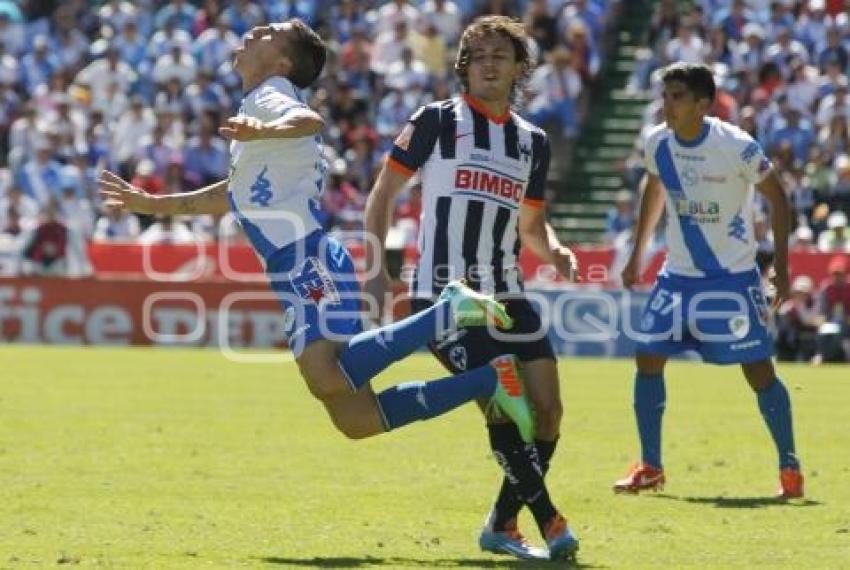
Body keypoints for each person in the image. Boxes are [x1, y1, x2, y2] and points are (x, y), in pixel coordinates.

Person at [98, 21, 534, 452]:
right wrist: (150, 205)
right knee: (356, 419)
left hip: (308, 258)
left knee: (327, 376)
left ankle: (449, 312)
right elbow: (234, 195)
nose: (253, 32)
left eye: (267, 32)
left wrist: (263, 130)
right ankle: (493, 378)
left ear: (282, 62)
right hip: (299, 261)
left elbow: (309, 119)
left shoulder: (272, 95)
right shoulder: (259, 104)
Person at [363, 16, 579, 562]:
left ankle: (501, 524)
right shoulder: (436, 121)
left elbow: (531, 225)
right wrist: (374, 265)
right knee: (503, 400)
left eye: (499, 55)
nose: (488, 62)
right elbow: (383, 192)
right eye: (477, 54)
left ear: (518, 67)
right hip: (445, 297)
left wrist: (554, 248)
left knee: (548, 413)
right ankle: (551, 521)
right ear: (463, 66)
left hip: (510, 295)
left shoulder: (533, 141)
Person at [613, 62, 804, 499]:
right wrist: (637, 255)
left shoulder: (735, 146)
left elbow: (778, 198)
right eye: (665, 96)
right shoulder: (657, 141)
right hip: (676, 277)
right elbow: (654, 189)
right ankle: (651, 466)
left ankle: (789, 467)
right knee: (647, 356)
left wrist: (782, 267)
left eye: (677, 96)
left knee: (758, 373)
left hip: (731, 280)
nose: (667, 104)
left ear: (704, 103)